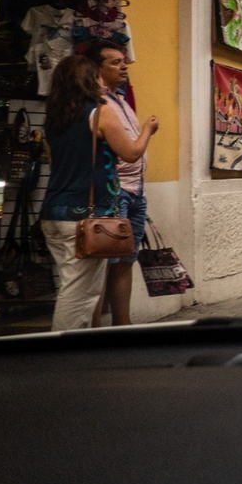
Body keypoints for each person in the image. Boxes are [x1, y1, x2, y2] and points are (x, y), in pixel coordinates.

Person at [41, 55, 158, 331]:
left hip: (53, 212)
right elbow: (131, 153)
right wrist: (147, 130)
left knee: (71, 285)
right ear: (90, 79)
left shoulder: (55, 118)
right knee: (79, 294)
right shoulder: (100, 111)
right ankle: (65, 349)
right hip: (84, 215)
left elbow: (53, 160)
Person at [88, 41, 150, 327]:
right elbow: (128, 151)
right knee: (103, 264)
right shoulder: (98, 104)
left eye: (123, 61)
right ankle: (95, 329)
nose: (123, 67)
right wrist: (148, 130)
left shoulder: (121, 100)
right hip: (114, 193)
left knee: (126, 260)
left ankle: (122, 324)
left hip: (135, 190)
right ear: (97, 68)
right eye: (114, 62)